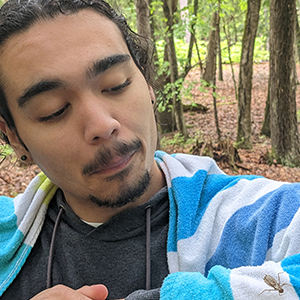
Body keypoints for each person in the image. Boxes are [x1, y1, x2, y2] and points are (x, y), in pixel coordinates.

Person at [0, 0, 300, 299]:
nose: (102, 126)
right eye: (54, 110)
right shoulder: (6, 235)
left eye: (116, 85)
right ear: (13, 137)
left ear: (147, 84)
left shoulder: (262, 215)